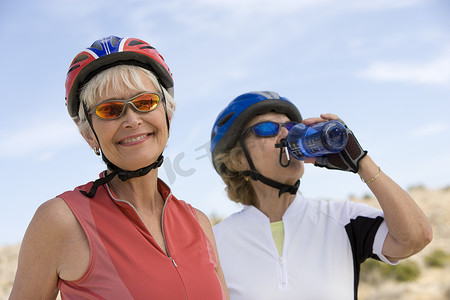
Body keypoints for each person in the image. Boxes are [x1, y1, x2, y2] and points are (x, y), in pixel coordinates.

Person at [9, 36, 228, 300]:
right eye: (110, 110)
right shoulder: (60, 221)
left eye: (145, 102)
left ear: (168, 114)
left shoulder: (199, 223)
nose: (132, 119)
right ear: (89, 134)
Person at [210, 91, 432, 300]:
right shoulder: (214, 241)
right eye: (268, 128)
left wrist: (360, 161)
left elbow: (416, 238)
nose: (286, 134)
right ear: (239, 160)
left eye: (291, 126)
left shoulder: (342, 218)